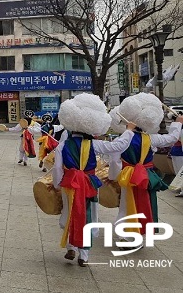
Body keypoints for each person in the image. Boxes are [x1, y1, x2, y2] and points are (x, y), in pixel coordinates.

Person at [52, 93, 137, 266]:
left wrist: (57, 184)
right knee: (89, 215)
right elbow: (117, 146)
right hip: (90, 183)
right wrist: (128, 131)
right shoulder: (94, 144)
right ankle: (84, 255)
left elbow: (57, 169)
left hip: (70, 184)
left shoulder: (62, 145)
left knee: (69, 213)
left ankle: (71, 247)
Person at [114, 93, 183, 232]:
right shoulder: (151, 138)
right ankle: (142, 230)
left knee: (126, 204)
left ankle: (127, 234)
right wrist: (178, 123)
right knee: (145, 202)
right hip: (145, 175)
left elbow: (115, 160)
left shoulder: (121, 139)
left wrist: (114, 177)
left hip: (126, 175)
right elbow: (171, 138)